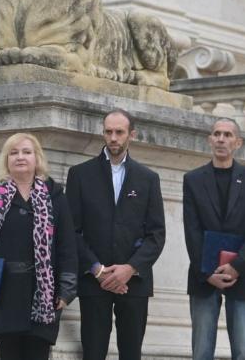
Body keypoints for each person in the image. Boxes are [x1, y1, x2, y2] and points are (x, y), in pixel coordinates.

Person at [0, 132, 78, 360]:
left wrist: (66, 290)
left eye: (27, 152)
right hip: (4, 294)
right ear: (6, 159)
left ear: (37, 158)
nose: (20, 157)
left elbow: (67, 246)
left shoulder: (55, 197)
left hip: (43, 295)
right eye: (13, 153)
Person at [66, 109, 166, 360]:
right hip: (93, 280)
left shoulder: (148, 179)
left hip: (134, 282)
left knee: (131, 354)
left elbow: (156, 234)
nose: (113, 138)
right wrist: (98, 270)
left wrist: (130, 268)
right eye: (108, 132)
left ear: (131, 135)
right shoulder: (80, 175)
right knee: (93, 352)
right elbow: (71, 230)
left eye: (119, 132)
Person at [183, 118, 245, 360]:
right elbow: (192, 230)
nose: (221, 139)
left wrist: (237, 266)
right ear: (210, 140)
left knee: (243, 349)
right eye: (217, 134)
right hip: (203, 275)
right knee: (201, 351)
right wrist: (208, 272)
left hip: (243, 272)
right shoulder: (193, 179)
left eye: (228, 135)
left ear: (238, 142)